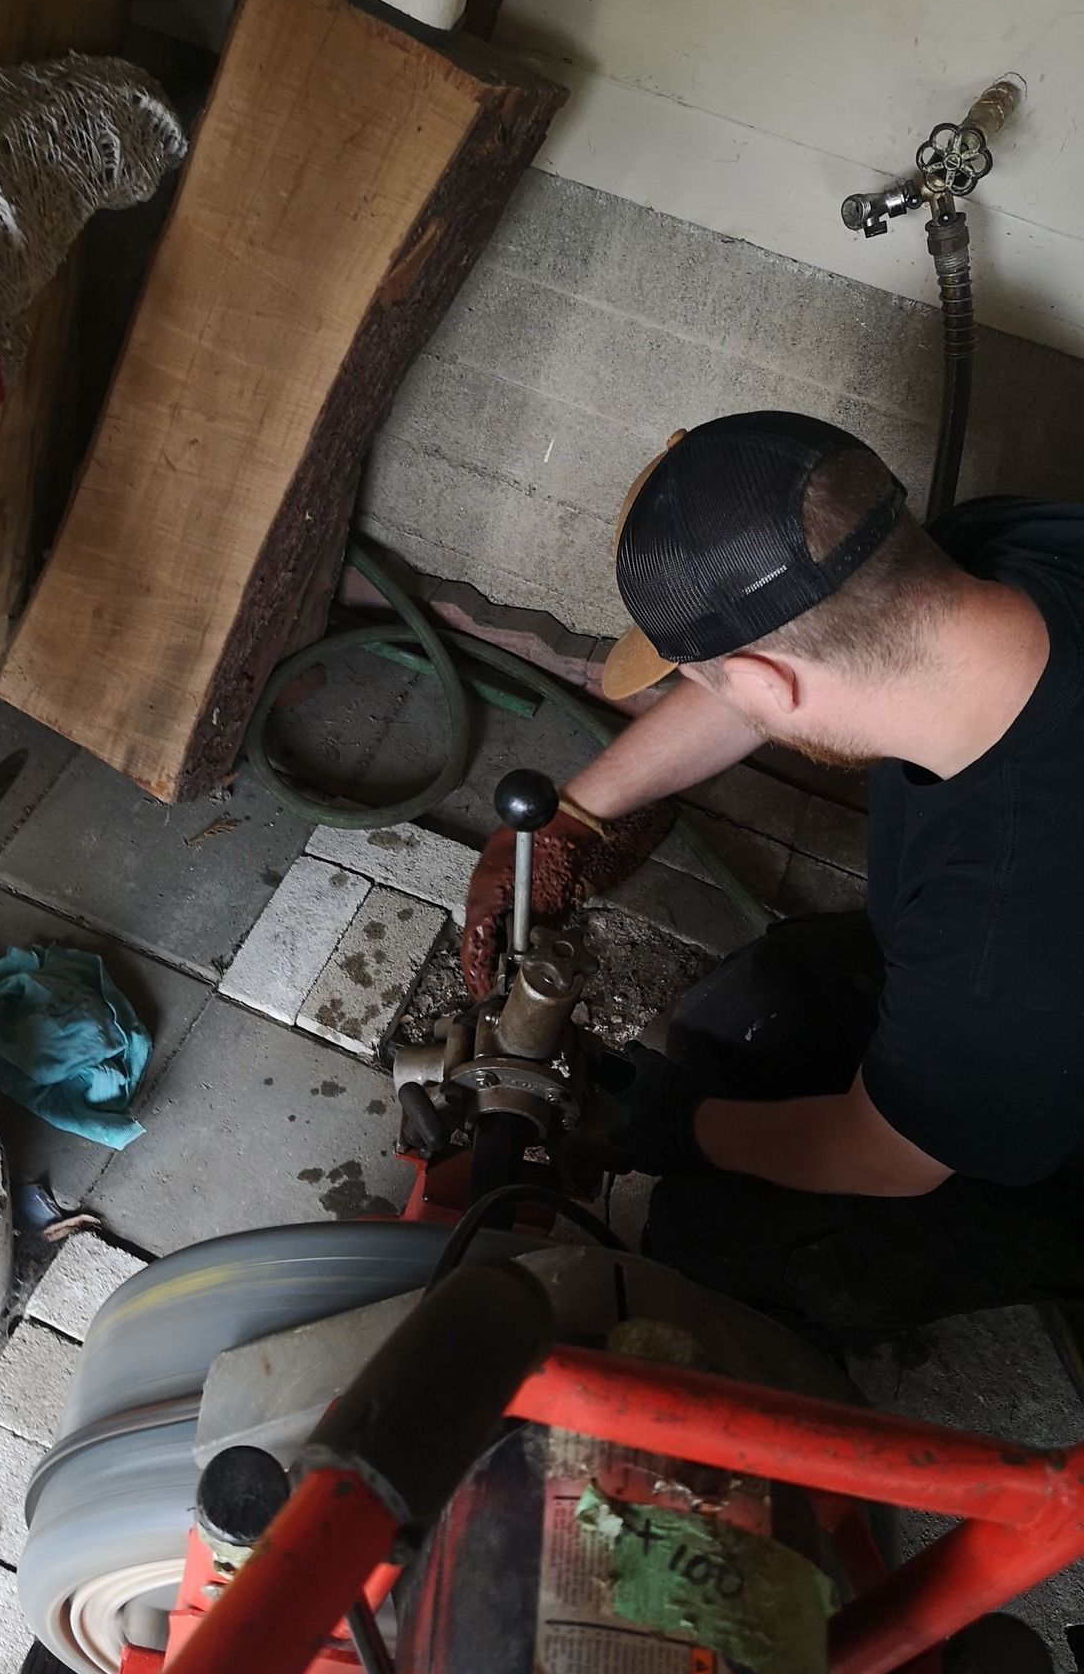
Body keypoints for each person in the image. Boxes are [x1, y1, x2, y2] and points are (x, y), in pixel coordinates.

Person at [461, 409, 1084, 1338]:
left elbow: (887, 1158)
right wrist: (576, 817)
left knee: (710, 1237)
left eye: (702, 678)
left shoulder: (1000, 938)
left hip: (1054, 1134)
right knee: (766, 1001)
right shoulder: (1001, 556)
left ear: (762, 681)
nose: (709, 696)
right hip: (1018, 990)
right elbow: (779, 682)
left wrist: (681, 1126)